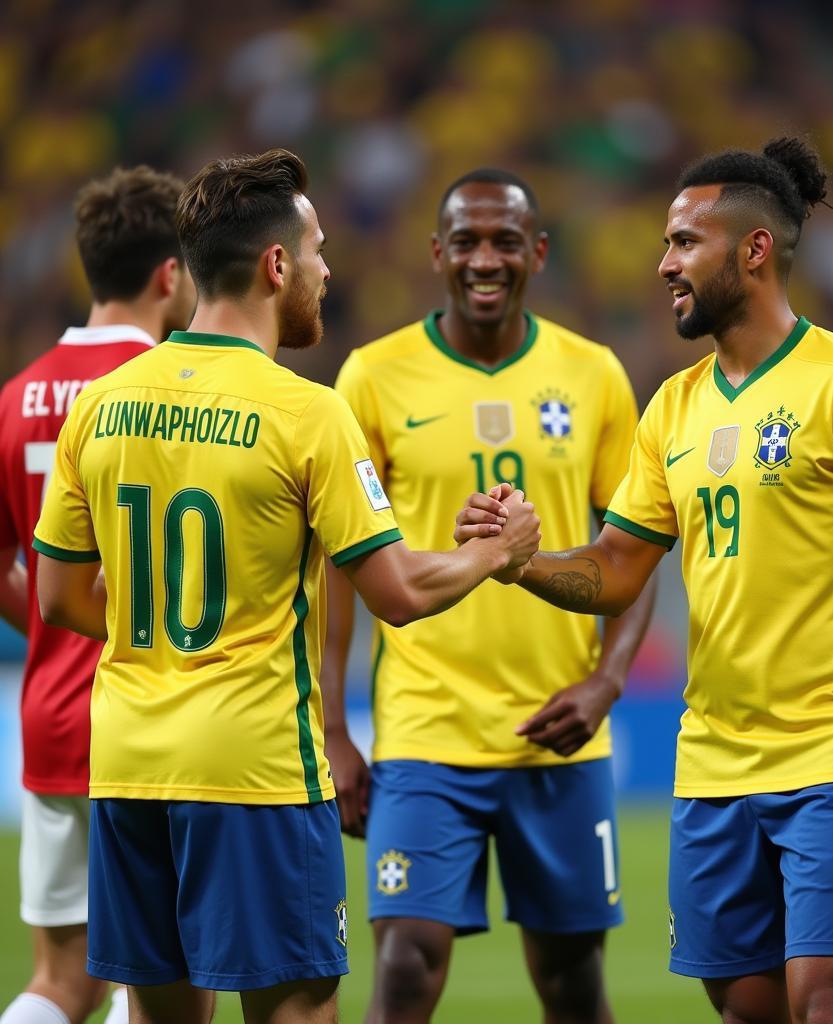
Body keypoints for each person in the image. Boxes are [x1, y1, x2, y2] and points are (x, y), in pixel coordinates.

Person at [456, 138, 833, 1024]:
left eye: (682, 243)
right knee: (748, 1009)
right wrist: (521, 565)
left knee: (828, 998)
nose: (663, 263)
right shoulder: (673, 405)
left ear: (753, 251)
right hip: (713, 764)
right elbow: (618, 569)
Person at [30, 148, 539, 1024]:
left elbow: (60, 600)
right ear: (275, 266)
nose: (326, 270)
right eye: (317, 252)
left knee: (157, 1015)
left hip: (126, 767)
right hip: (256, 772)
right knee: (297, 1008)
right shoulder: (305, 412)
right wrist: (499, 552)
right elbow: (398, 593)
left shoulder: (101, 405)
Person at [326, 167, 654, 1023]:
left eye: (505, 241)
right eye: (466, 241)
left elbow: (636, 555)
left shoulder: (594, 375)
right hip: (426, 729)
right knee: (402, 968)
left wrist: (607, 682)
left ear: (537, 253)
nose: (485, 258)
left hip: (559, 735)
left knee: (574, 984)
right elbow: (339, 567)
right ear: (436, 253)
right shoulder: (371, 377)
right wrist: (333, 730)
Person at [0, 165, 196, 1024]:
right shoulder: (172, 393)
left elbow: (18, 571)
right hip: (149, 713)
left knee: (62, 978)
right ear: (169, 274)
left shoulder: (16, 400)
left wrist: (59, 628)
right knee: (159, 979)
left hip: (49, 709)